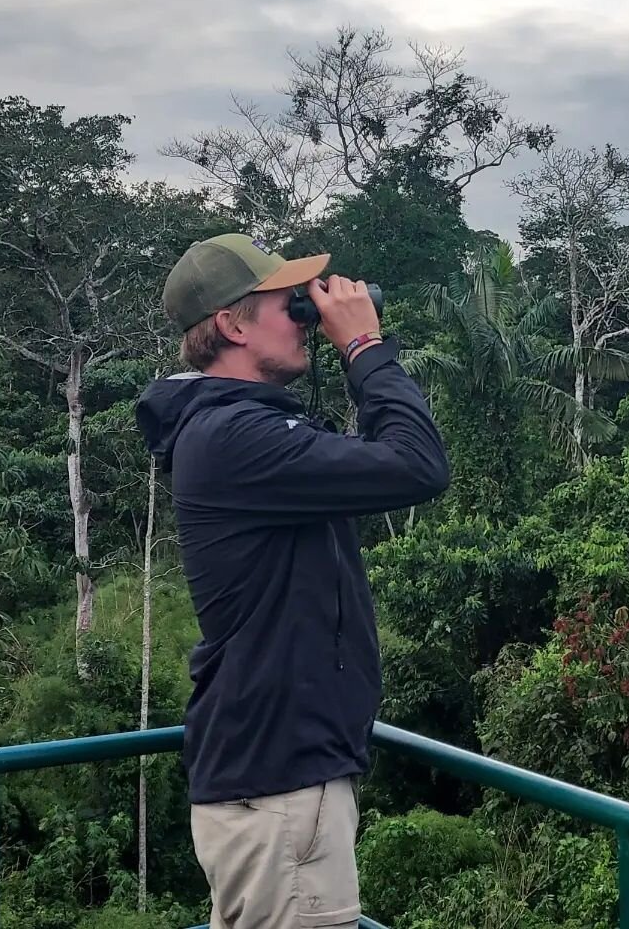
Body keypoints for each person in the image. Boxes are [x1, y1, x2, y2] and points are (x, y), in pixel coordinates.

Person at [135, 233, 450, 928]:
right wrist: (365, 347)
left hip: (276, 776)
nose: (308, 314)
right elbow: (417, 465)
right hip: (282, 786)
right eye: (290, 304)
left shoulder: (242, 429)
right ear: (232, 324)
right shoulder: (235, 438)